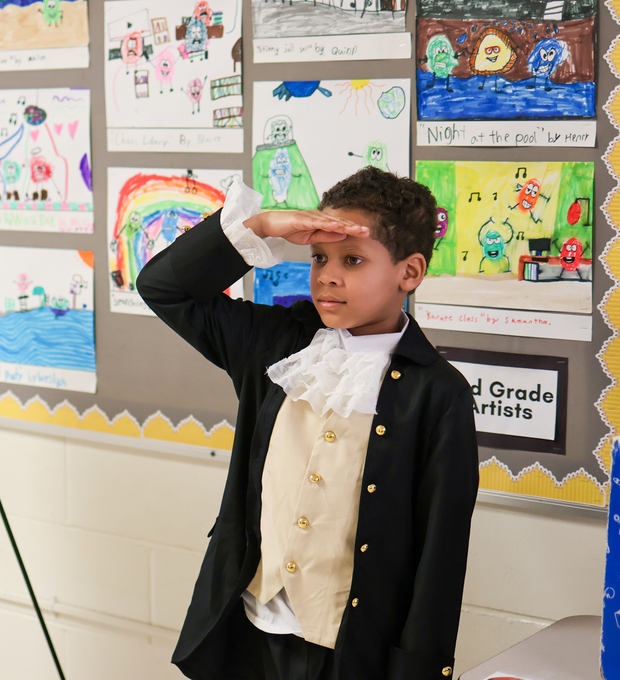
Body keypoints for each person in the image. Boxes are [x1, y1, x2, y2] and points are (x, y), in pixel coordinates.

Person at [137, 166, 478, 680]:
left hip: (351, 650)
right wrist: (262, 226)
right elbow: (163, 287)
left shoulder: (438, 392)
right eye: (319, 257)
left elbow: (440, 556)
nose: (327, 276)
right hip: (250, 630)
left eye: (353, 260)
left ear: (409, 273)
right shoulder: (276, 346)